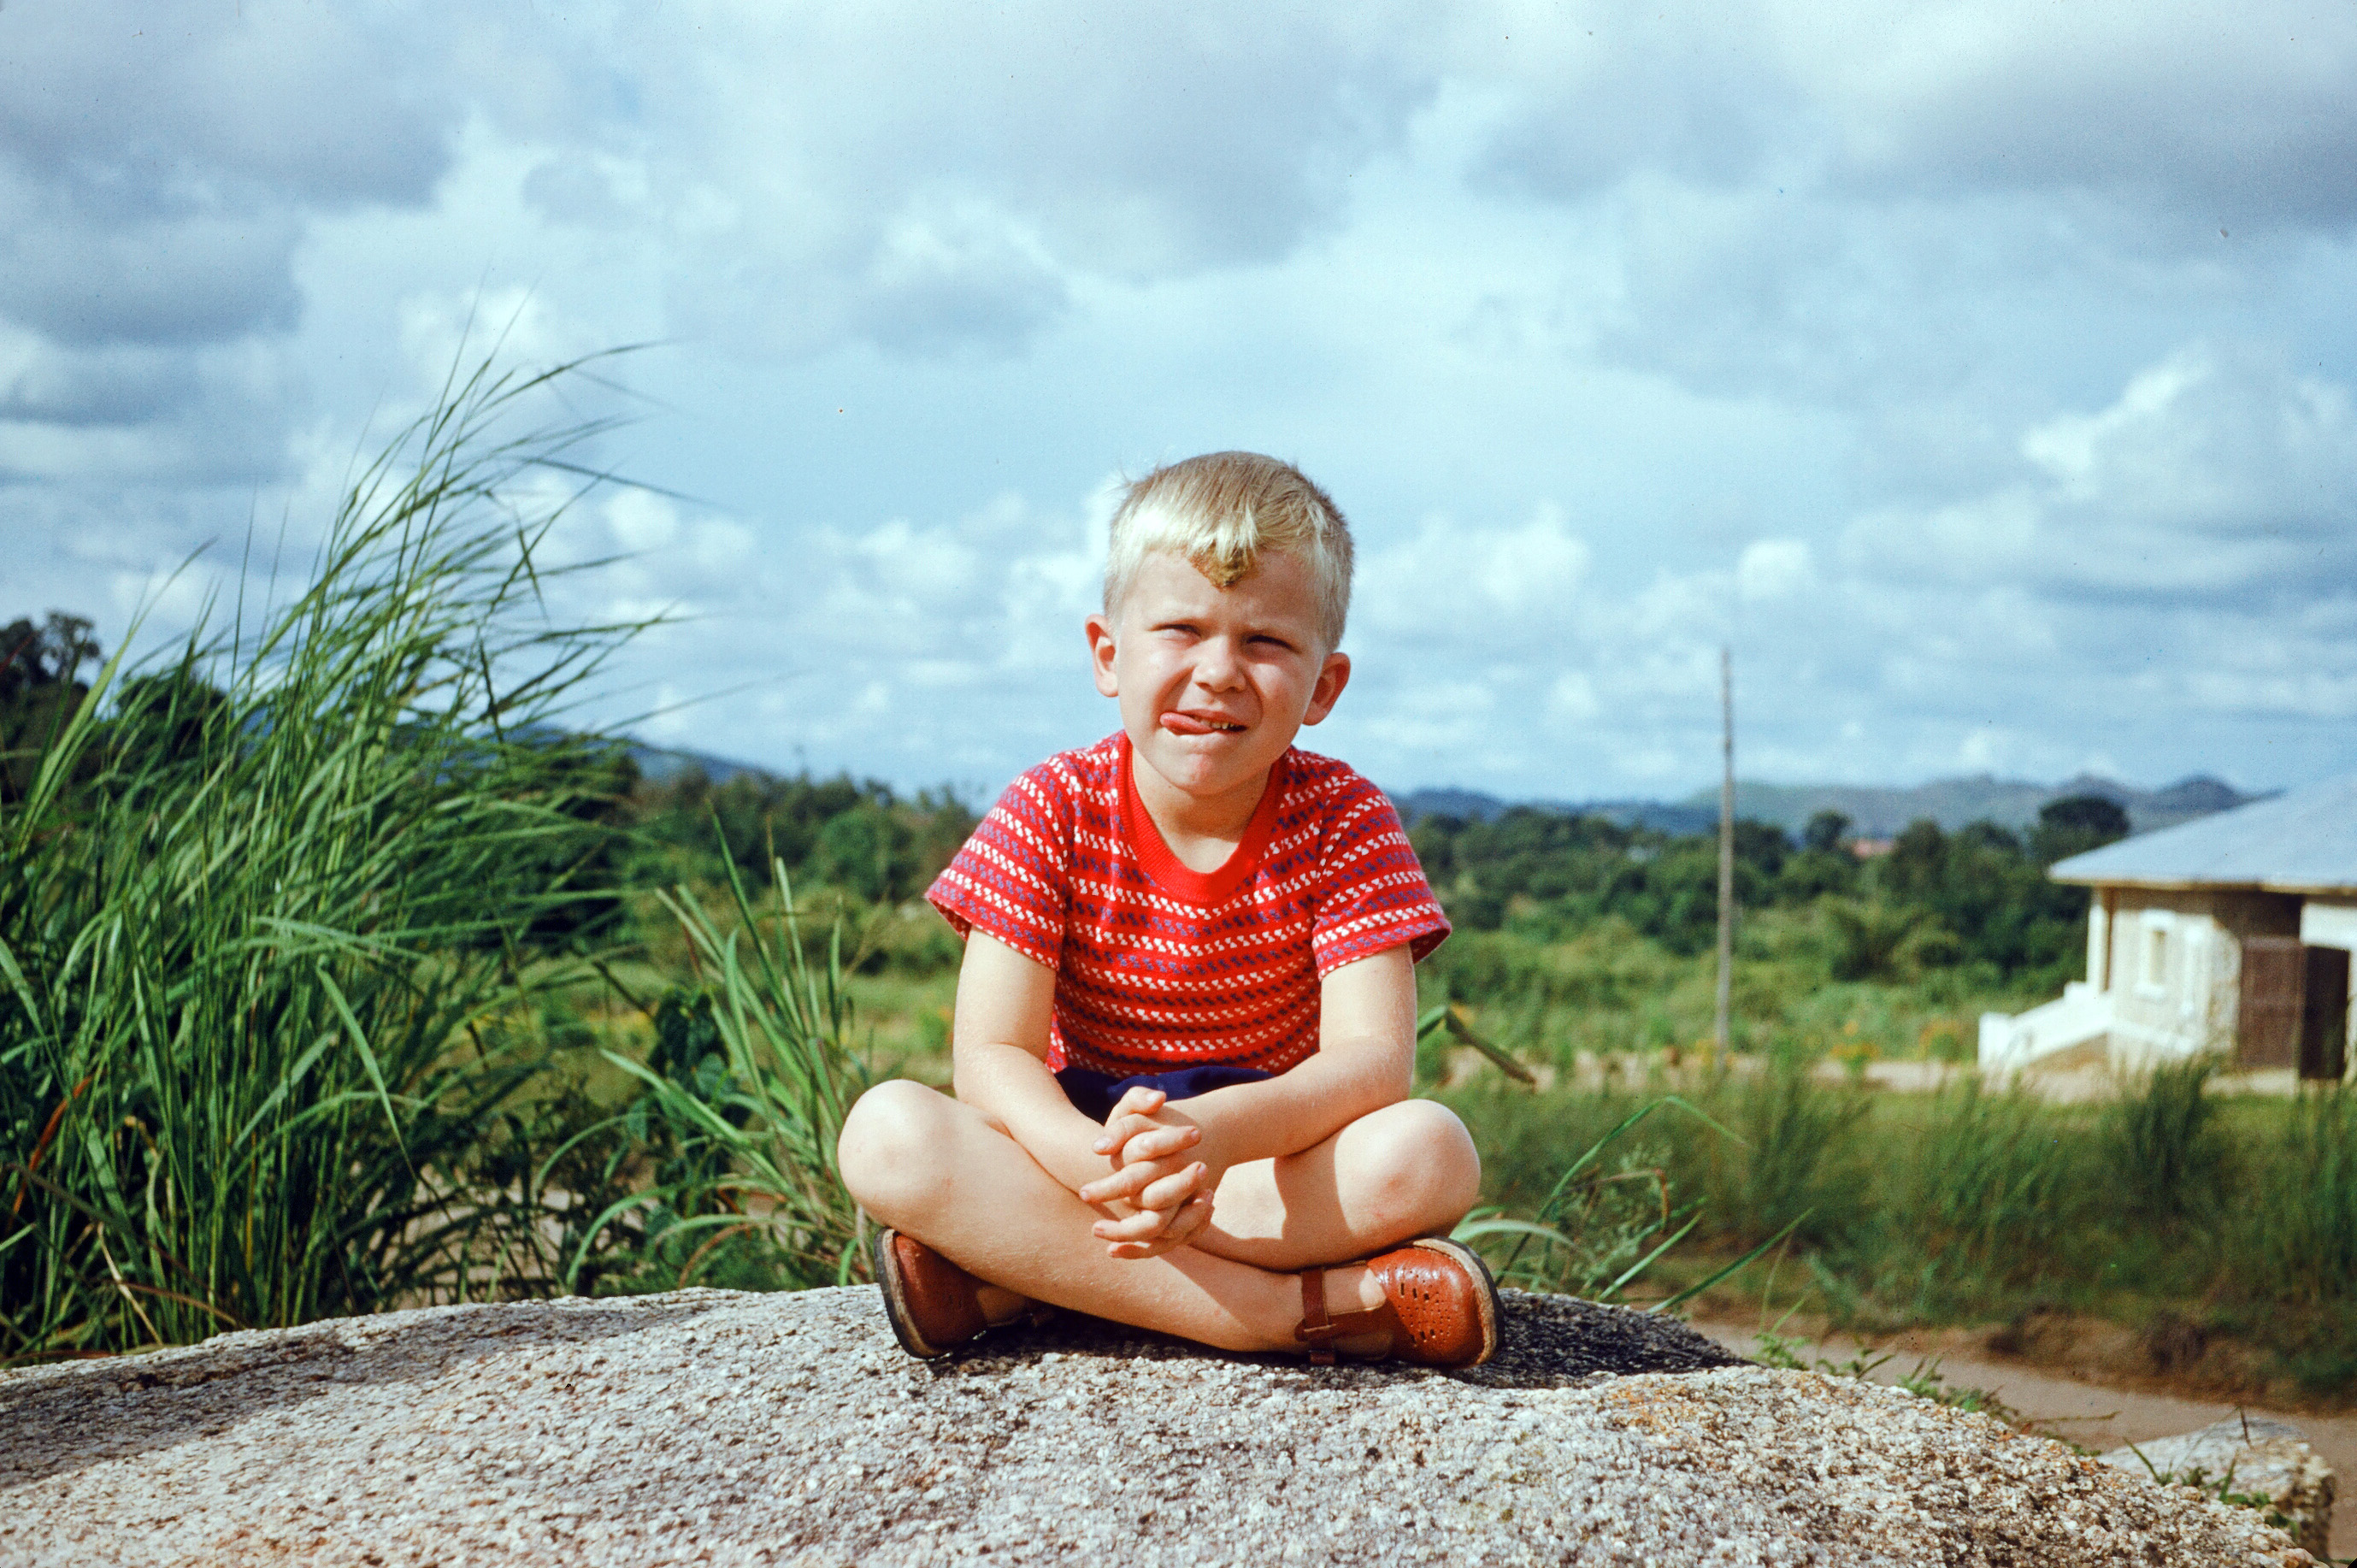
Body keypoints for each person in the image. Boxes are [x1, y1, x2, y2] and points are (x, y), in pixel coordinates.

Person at [835, 451, 1497, 1367]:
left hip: (1256, 1161)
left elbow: (1372, 1064)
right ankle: (1286, 1313)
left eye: (1265, 642)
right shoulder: (1052, 807)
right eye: (1181, 630)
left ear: (1325, 687)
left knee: (1428, 1152)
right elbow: (992, 1058)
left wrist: (1212, 1139)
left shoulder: (1347, 819)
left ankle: (1018, 1280)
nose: (1219, 670)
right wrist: (1097, 1166)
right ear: (1109, 654)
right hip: (1082, 1150)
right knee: (887, 1132)